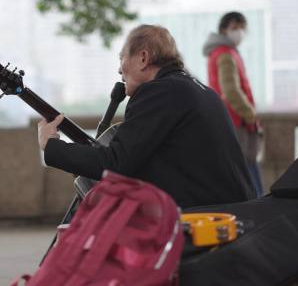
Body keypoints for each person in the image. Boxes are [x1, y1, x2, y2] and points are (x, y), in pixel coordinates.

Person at [38, 24, 255, 208]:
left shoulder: (158, 92)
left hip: (203, 219)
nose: (119, 70)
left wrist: (52, 146)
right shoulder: (198, 91)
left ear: (143, 57)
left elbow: (116, 164)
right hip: (234, 212)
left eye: (122, 58)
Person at [203, 12, 263, 196]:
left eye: (242, 28)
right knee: (247, 173)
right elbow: (231, 91)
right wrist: (250, 114)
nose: (240, 32)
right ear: (223, 30)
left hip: (229, 120)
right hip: (237, 123)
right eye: (235, 28)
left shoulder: (223, 52)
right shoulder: (225, 54)